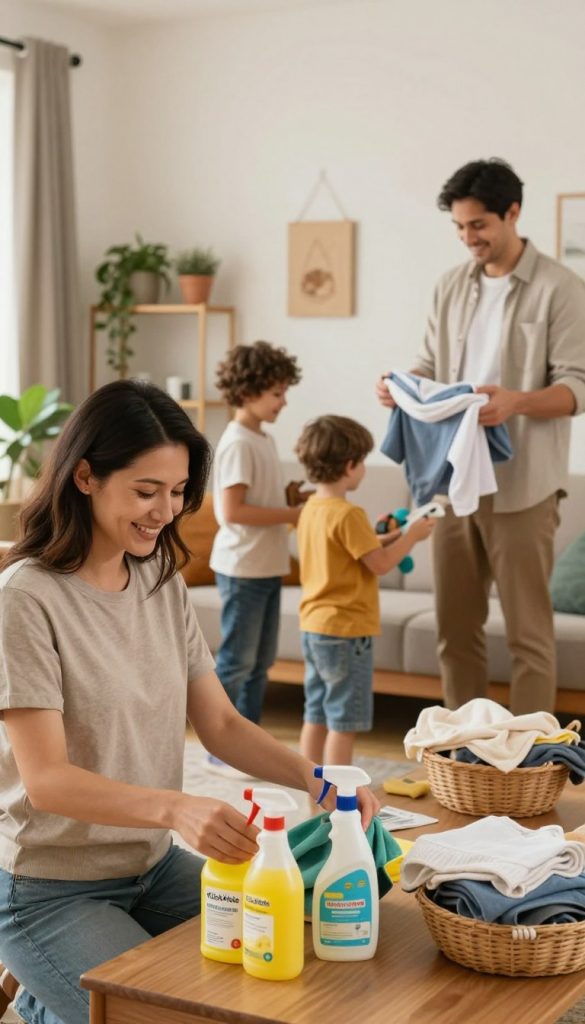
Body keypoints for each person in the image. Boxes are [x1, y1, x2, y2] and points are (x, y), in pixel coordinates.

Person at [0, 380, 378, 1024]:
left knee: (296, 953)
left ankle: (47, 989)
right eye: (146, 492)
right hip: (49, 889)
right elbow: (48, 780)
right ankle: (48, 997)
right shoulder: (24, 599)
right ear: (85, 477)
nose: (165, 512)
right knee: (175, 1014)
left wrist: (319, 780)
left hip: (151, 866)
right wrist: (176, 807)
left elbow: (222, 724)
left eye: (177, 493)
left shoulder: (158, 579)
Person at [376, 158, 585, 715]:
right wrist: (402, 386)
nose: (469, 238)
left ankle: (533, 764)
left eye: (479, 226)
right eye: (460, 228)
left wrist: (517, 402)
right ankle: (461, 758)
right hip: (450, 484)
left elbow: (576, 388)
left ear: (512, 213)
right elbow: (428, 363)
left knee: (529, 639)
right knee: (456, 633)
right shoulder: (450, 287)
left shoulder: (560, 289)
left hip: (524, 488)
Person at [294, 415, 435, 765]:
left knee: (316, 712)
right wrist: (413, 537)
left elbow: (361, 549)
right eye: (364, 463)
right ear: (349, 465)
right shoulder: (348, 513)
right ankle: (338, 797)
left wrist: (397, 534)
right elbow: (381, 564)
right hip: (346, 631)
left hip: (314, 627)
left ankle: (309, 785)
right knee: (344, 720)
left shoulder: (311, 508)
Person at [210, 341, 303, 746]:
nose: (283, 402)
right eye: (277, 393)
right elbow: (232, 511)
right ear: (248, 391)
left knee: (261, 662)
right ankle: (221, 744)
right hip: (242, 568)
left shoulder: (261, 438)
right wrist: (291, 516)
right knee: (236, 663)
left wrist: (289, 501)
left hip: (266, 565)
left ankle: (247, 743)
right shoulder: (238, 442)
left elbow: (256, 502)